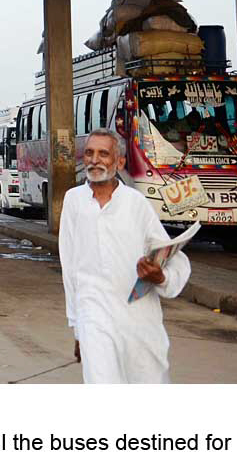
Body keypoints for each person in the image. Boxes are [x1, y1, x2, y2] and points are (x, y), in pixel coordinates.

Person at [59, 129, 190, 383]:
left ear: (119, 162)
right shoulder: (74, 201)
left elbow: (171, 254)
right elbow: (70, 266)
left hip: (138, 317)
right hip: (93, 315)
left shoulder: (136, 203)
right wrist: (78, 329)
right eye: (89, 153)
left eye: (103, 154)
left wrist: (160, 276)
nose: (95, 160)